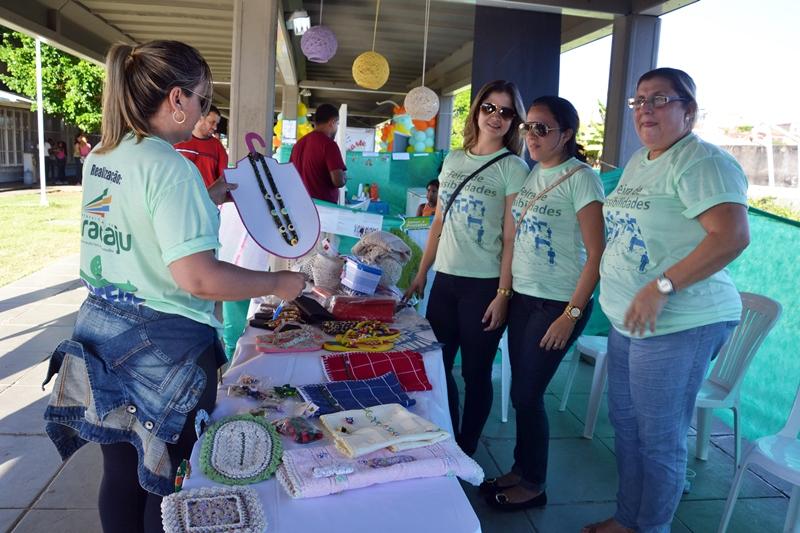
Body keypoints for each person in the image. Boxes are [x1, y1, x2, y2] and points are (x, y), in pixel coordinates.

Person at [41, 40, 305, 533]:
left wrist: (209, 197)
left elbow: (139, 222)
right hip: (162, 346)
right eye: (204, 99)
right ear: (178, 98)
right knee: (164, 480)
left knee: (121, 470)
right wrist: (280, 282)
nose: (206, 111)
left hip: (101, 327)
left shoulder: (106, 153)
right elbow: (198, 278)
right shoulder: (171, 167)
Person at [582, 68, 750, 533]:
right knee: (627, 425)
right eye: (639, 101)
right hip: (629, 320)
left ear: (688, 111)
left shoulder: (702, 162)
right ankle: (627, 519)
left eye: (660, 99)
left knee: (659, 439)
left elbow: (732, 237)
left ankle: (650, 528)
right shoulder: (641, 160)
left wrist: (661, 287)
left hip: (681, 322)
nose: (645, 110)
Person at [482, 96, 605, 511]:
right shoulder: (534, 173)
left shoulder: (582, 179)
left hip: (557, 305)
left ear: (565, 134)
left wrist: (571, 315)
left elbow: (597, 253)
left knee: (528, 393)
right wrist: (505, 294)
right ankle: (521, 468)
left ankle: (534, 484)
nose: (531, 136)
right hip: (524, 297)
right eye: (528, 127)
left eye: (542, 128)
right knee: (522, 393)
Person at [403, 80, 530, 456]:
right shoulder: (455, 160)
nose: (496, 117)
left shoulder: (514, 168)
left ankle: (467, 447)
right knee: (438, 366)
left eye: (506, 111)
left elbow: (511, 238)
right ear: (476, 110)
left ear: (514, 120)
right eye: (489, 107)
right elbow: (438, 223)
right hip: (445, 281)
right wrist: (422, 273)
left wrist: (503, 294)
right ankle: (448, 435)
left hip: (484, 286)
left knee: (476, 373)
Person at [290, 103, 347, 203]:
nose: (337, 128)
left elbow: (290, 174)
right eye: (337, 124)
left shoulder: (298, 144)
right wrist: (344, 177)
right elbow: (339, 181)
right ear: (332, 122)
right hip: (322, 207)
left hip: (298, 204)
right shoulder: (329, 145)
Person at [174, 104, 231, 204]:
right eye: (212, 122)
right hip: (180, 201)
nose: (215, 127)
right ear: (200, 118)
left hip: (208, 203)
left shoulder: (218, 147)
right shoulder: (177, 141)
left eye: (217, 124)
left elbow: (223, 177)